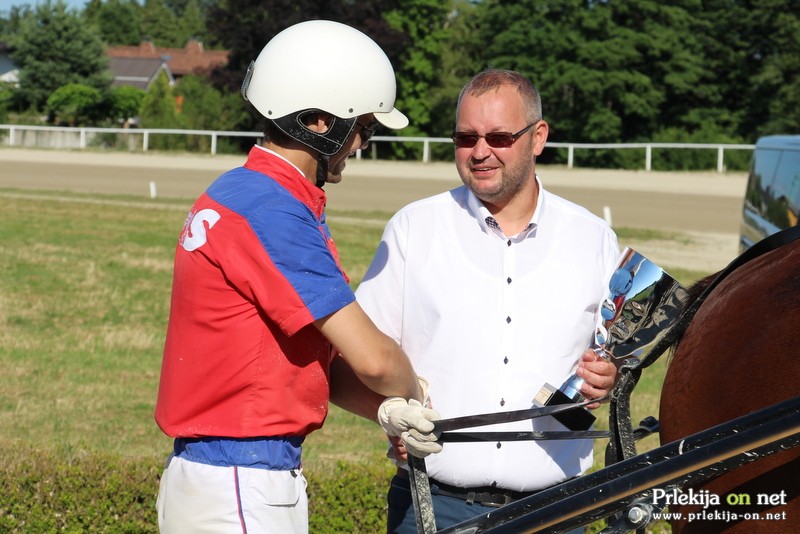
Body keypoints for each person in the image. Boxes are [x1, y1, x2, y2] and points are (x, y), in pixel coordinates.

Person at [153, 20, 438, 533]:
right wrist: (414, 392)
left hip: (228, 476)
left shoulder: (241, 190)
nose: (363, 144)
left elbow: (310, 364)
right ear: (319, 123)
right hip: (241, 479)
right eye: (364, 128)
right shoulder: (272, 210)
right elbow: (374, 359)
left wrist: (384, 411)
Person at [355, 69, 622, 532]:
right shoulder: (413, 228)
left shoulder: (595, 240)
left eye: (499, 136)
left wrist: (608, 375)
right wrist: (393, 416)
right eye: (465, 137)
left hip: (557, 511)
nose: (480, 152)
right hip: (432, 506)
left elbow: (612, 357)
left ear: (538, 138)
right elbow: (360, 354)